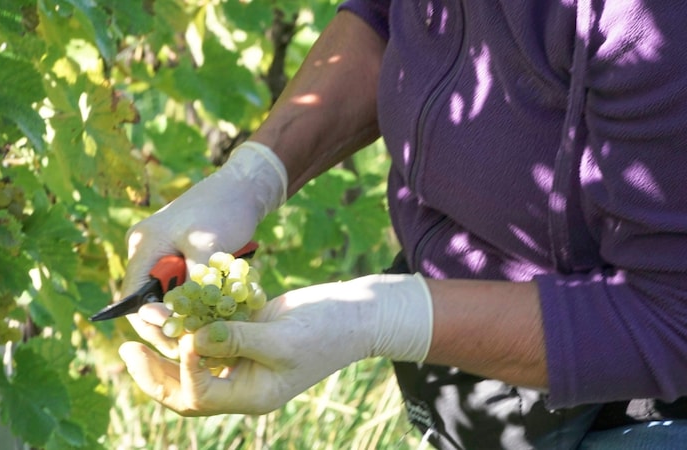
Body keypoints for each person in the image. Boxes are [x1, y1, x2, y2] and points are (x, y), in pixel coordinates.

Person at [117, 1, 687, 448]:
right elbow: (393, 19)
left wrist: (380, 318)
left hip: (634, 409)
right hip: (481, 382)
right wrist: (253, 175)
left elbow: (671, 318)